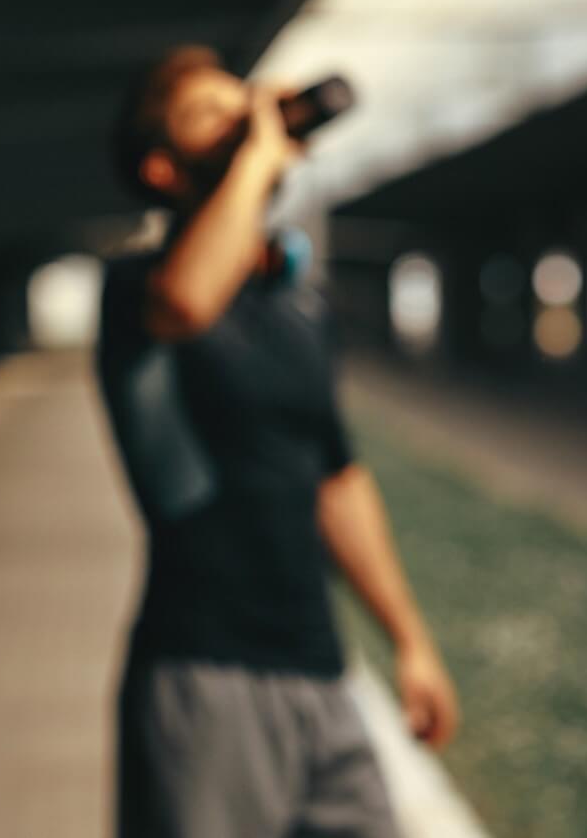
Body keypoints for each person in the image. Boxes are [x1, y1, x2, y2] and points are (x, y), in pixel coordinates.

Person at [97, 45, 460, 838]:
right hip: (204, 674)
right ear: (161, 169)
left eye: (243, 101)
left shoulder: (298, 305)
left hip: (321, 668)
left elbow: (336, 476)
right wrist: (260, 153)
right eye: (211, 115)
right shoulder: (139, 290)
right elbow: (188, 303)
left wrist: (409, 638)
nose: (241, 118)